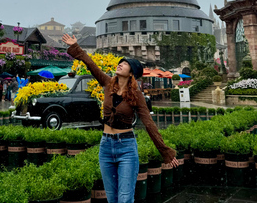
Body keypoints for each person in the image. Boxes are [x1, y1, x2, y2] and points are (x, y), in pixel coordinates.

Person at [62, 34, 178, 203]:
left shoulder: (137, 95)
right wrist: (76, 47)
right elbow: (91, 64)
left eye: (125, 64)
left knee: (124, 199)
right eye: (120, 62)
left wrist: (165, 151)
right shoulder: (108, 83)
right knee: (112, 198)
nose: (120, 64)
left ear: (132, 72)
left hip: (127, 148)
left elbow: (149, 124)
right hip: (106, 147)